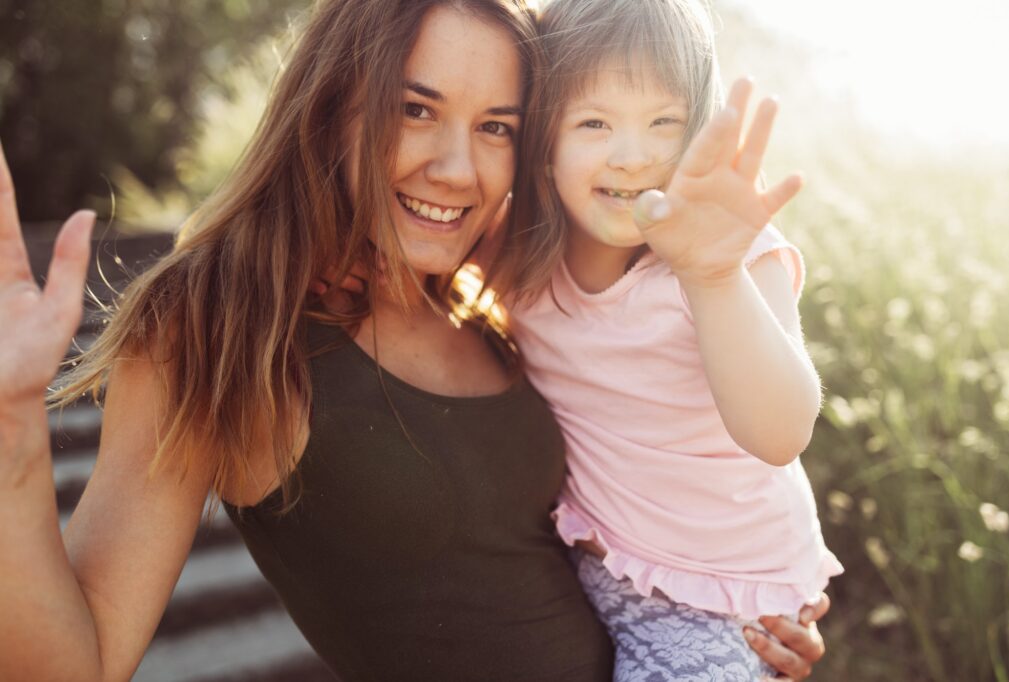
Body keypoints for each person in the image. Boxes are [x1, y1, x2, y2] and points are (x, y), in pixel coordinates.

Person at [0, 0, 828, 680]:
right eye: (415, 109)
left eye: (497, 127)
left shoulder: (489, 297)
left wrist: (732, 626)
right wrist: (12, 440)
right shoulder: (217, 326)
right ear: (330, 104)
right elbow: (79, 663)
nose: (458, 168)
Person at [506, 0, 843, 679]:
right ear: (543, 143)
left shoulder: (730, 260)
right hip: (590, 560)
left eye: (665, 122)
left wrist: (711, 276)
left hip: (715, 596)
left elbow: (780, 434)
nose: (633, 157)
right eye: (594, 122)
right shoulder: (520, 262)